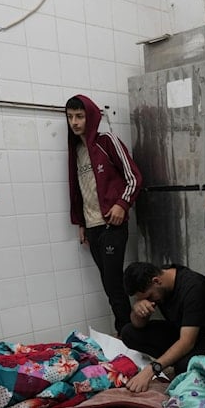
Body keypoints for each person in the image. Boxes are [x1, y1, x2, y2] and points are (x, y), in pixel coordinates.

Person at [66, 94, 142, 333]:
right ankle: (128, 331)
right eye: (70, 117)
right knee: (109, 285)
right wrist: (81, 222)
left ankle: (127, 332)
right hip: (92, 226)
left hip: (112, 224)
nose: (75, 122)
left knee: (113, 284)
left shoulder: (106, 141)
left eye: (80, 116)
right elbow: (79, 189)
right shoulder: (76, 150)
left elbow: (134, 177)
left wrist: (122, 204)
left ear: (91, 116)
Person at [120, 261, 205, 392]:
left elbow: (187, 342)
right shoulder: (160, 281)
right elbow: (138, 324)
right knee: (129, 332)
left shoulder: (194, 287)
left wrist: (152, 369)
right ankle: (173, 358)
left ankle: (176, 360)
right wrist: (138, 310)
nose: (150, 301)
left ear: (156, 281)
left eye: (150, 297)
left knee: (183, 367)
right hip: (182, 330)